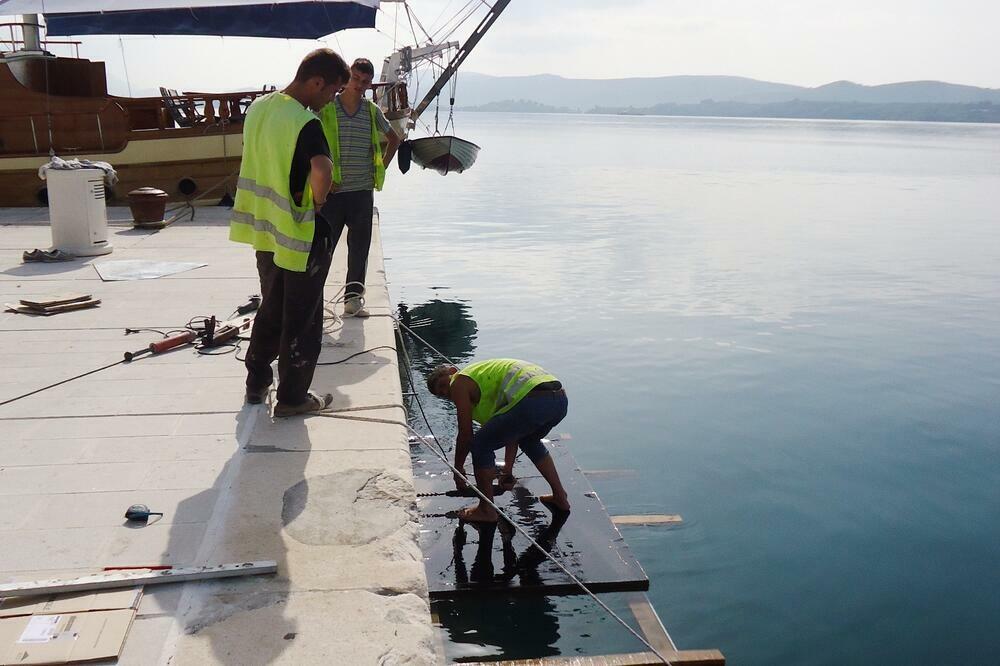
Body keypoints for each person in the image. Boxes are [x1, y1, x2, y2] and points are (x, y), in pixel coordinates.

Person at [230, 48, 350, 417]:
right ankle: (293, 398)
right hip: (298, 233)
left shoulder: (259, 108)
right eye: (330, 93)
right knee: (302, 317)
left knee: (272, 309)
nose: (329, 102)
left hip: (264, 230)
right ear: (316, 82)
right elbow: (322, 170)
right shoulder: (304, 122)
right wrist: (316, 201)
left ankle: (256, 382)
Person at [427, 359, 571, 523]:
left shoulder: (459, 381)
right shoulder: (485, 383)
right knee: (529, 441)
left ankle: (487, 510)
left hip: (532, 399)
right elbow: (513, 433)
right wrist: (507, 470)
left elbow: (466, 435)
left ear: (452, 371)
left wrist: (458, 470)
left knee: (480, 444)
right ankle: (560, 497)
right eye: (441, 395)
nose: (446, 393)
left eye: (443, 386)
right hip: (559, 400)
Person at [318, 57, 401, 317]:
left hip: (362, 192)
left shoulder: (371, 111)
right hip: (333, 192)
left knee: (359, 248)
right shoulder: (327, 108)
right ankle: (313, 299)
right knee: (323, 248)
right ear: (347, 78)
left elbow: (394, 139)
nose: (359, 85)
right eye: (355, 79)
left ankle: (353, 300)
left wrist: (381, 168)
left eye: (365, 82)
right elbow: (311, 143)